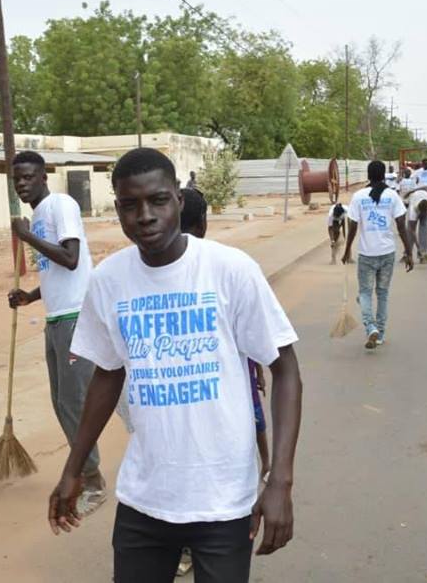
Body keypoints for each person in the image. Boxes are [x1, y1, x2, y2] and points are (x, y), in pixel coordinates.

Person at [48, 148, 303, 583]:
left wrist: (279, 480)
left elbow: (286, 371)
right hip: (145, 499)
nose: (145, 215)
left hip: (223, 501)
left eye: (158, 200)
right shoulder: (109, 282)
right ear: (118, 209)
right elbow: (108, 375)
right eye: (130, 205)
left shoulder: (229, 270)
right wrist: (73, 468)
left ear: (179, 203)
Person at [175, 188, 272, 578]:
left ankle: (186, 546)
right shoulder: (223, 268)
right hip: (221, 394)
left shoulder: (216, 268)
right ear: (203, 224)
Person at [6, 150, 107, 515]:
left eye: (29, 177)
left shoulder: (60, 205)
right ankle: (86, 474)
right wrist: (30, 296)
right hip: (56, 318)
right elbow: (57, 273)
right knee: (62, 402)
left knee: (76, 403)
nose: (22, 183)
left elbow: (71, 257)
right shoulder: (39, 215)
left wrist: (27, 237)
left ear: (44, 177)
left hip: (76, 317)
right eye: (17, 178)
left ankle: (92, 482)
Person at [342, 160, 414, 349]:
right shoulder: (392, 196)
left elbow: (353, 226)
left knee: (365, 293)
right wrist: (408, 251)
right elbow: (401, 226)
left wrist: (347, 248)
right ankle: (380, 333)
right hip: (387, 253)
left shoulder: (358, 197)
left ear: (368, 175)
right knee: (382, 294)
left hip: (367, 254)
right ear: (383, 175)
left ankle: (371, 327)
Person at [407, 188, 427, 263]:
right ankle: (408, 254)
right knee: (409, 233)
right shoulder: (413, 209)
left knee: (424, 231)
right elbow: (412, 230)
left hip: (425, 202)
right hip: (415, 201)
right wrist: (418, 246)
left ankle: (422, 254)